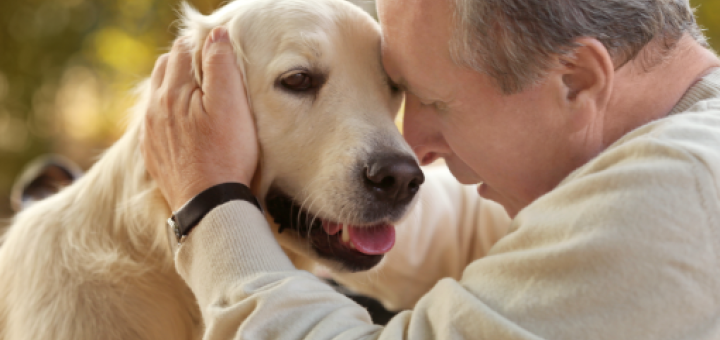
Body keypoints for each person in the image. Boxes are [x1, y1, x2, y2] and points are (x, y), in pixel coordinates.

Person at [141, 0, 720, 338]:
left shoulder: (676, 197)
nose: (414, 145)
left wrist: (211, 205)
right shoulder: (674, 148)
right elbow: (471, 231)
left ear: (576, 80)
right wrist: (305, 193)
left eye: (434, 101)